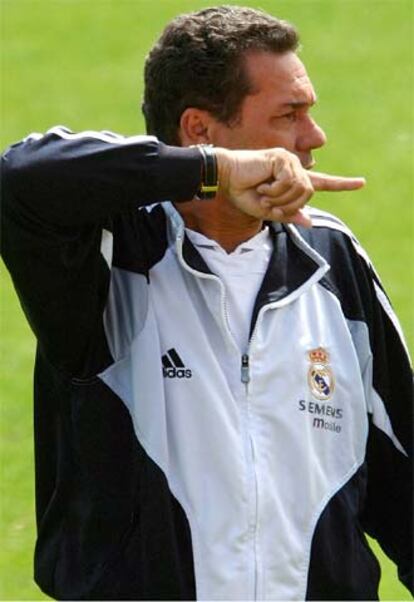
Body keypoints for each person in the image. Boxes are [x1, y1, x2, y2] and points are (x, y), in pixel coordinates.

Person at [1, 5, 412, 601]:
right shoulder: (111, 259)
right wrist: (213, 173)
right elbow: (23, 177)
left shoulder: (332, 260)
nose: (314, 137)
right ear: (200, 130)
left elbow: (403, 475)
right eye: (289, 115)